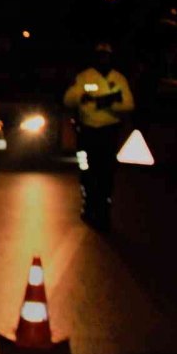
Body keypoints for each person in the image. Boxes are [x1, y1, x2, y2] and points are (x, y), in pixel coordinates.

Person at [63, 41, 135, 230]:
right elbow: (69, 99)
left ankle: (104, 209)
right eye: (100, 56)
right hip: (86, 132)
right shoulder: (84, 77)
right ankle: (88, 205)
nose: (103, 59)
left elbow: (128, 104)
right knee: (86, 169)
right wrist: (82, 97)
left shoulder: (118, 79)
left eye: (106, 56)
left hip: (108, 133)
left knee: (106, 172)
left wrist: (107, 103)